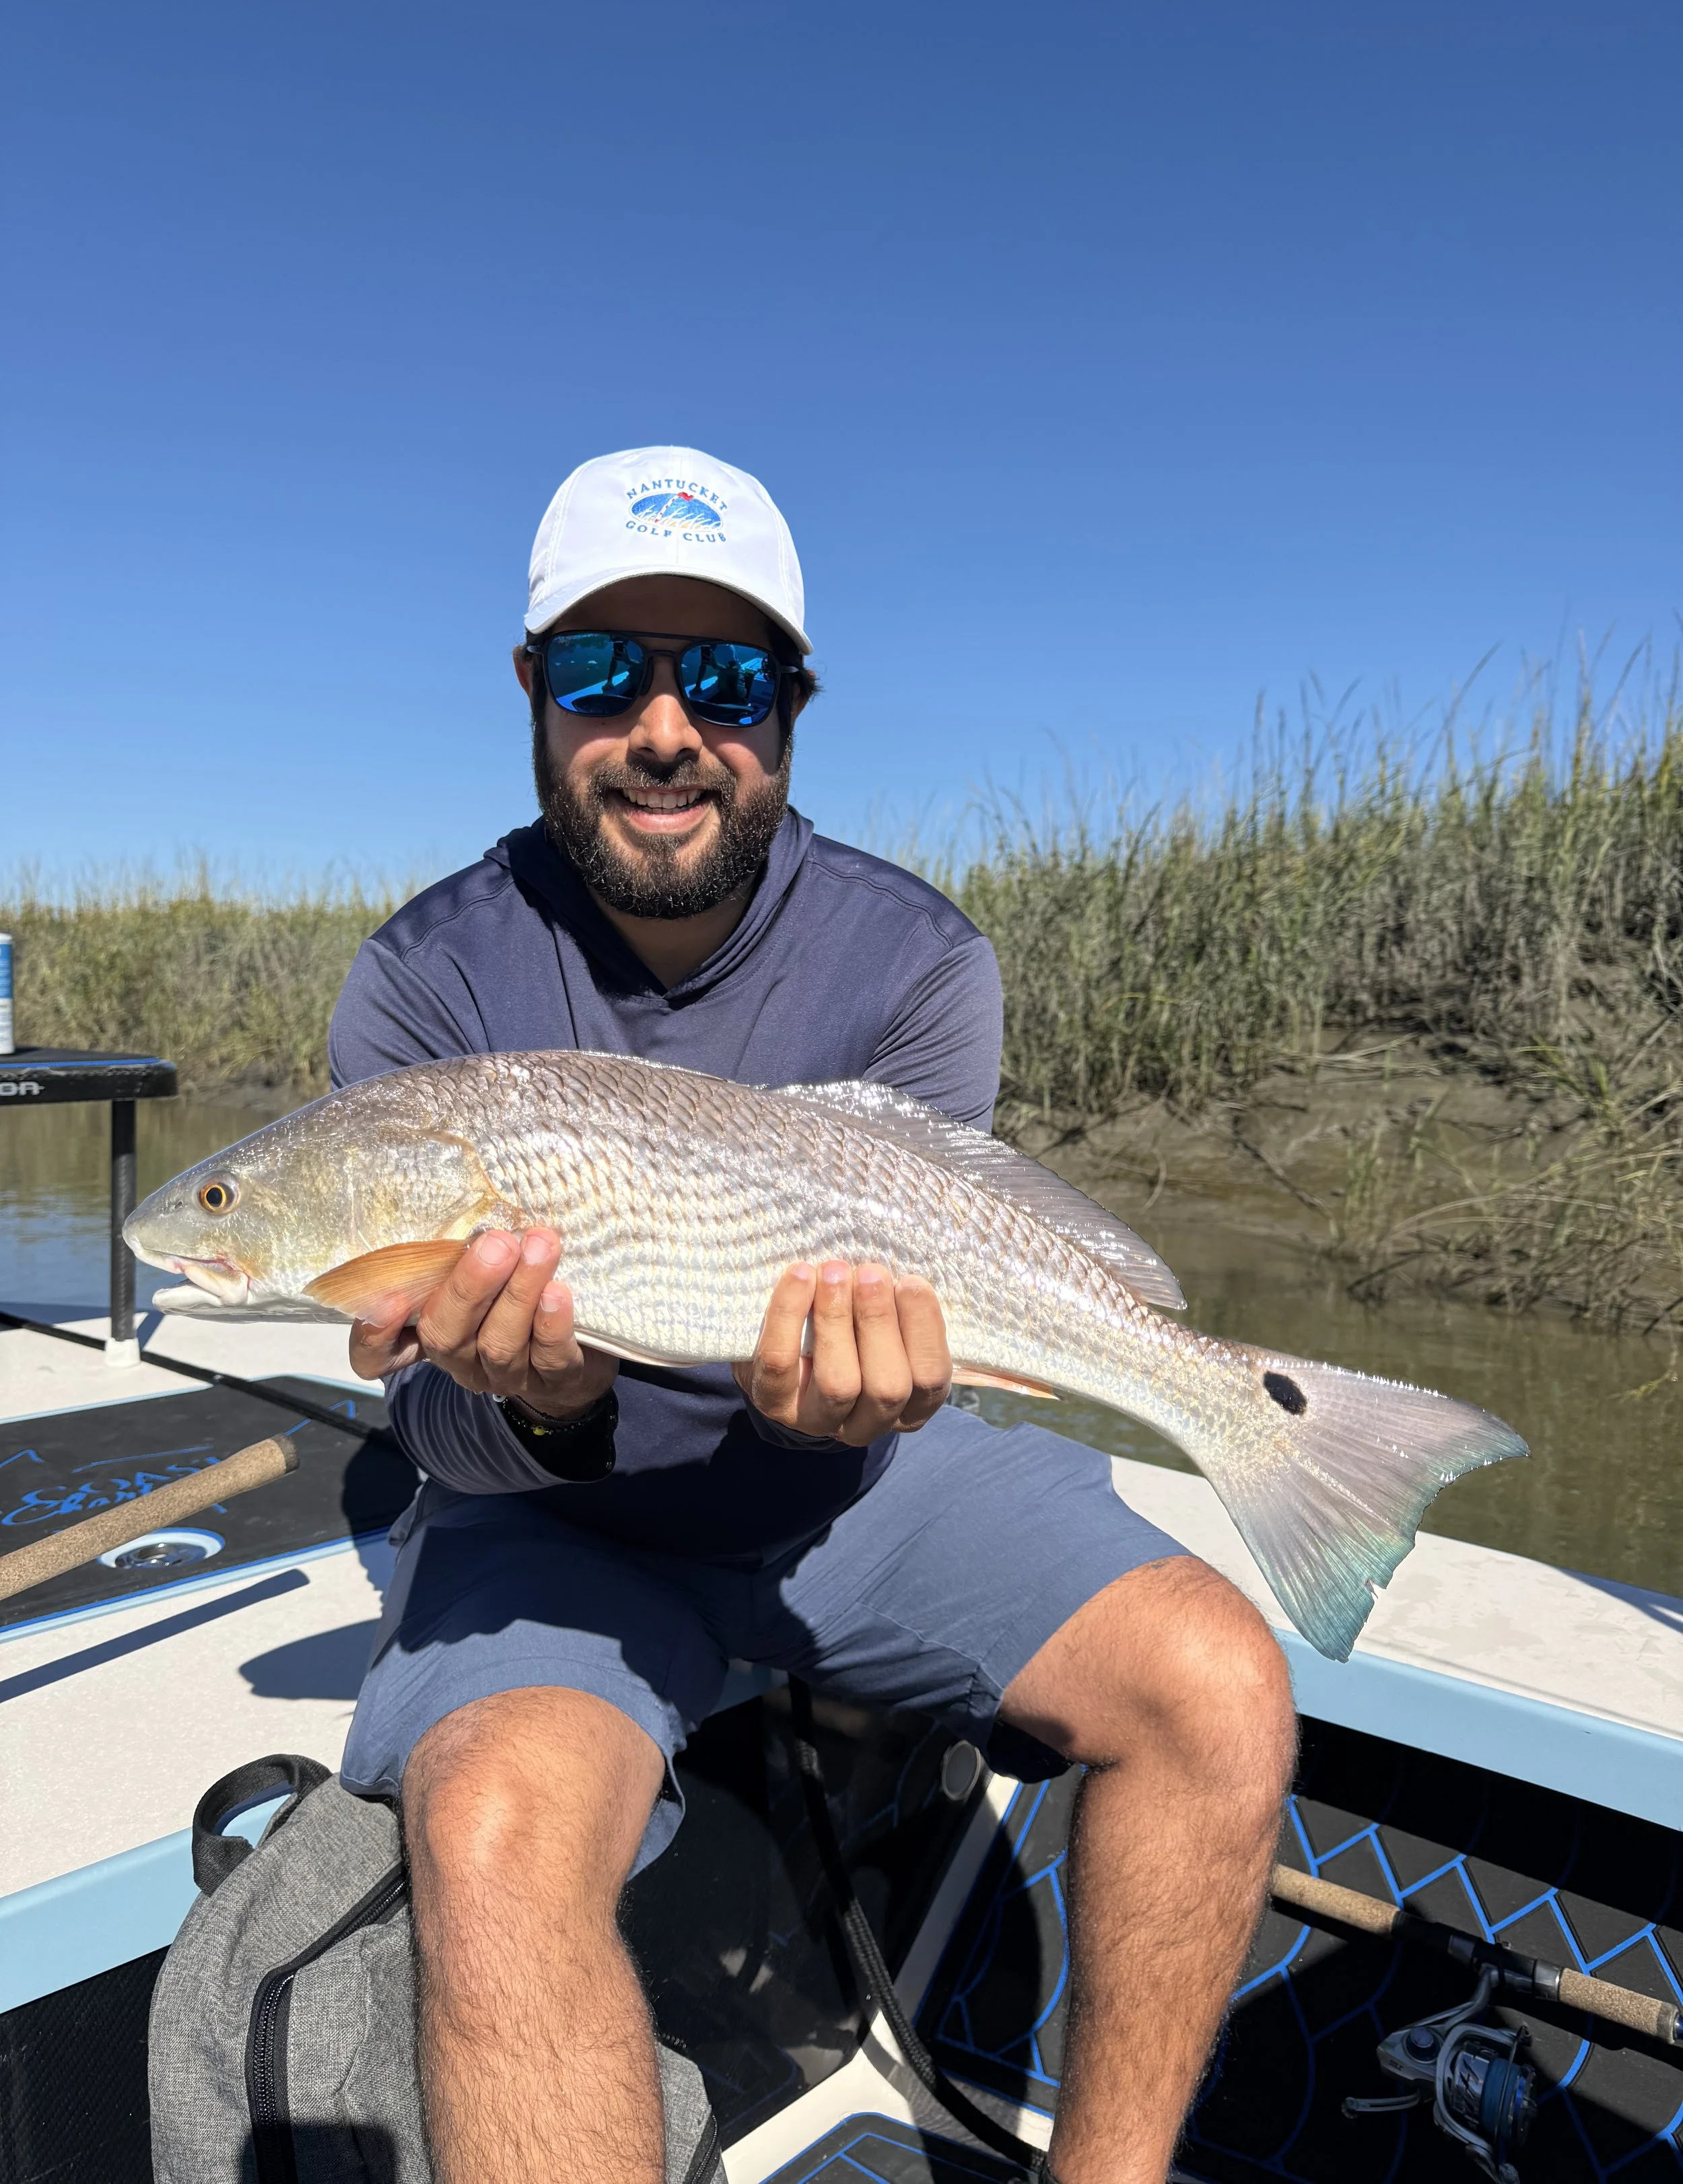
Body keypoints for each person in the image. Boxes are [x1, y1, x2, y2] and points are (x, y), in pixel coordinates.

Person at [329, 446, 1295, 2184]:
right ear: (534, 694)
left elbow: (917, 1322)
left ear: (787, 708)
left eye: (725, 677)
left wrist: (848, 1409)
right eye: (605, 669)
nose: (665, 727)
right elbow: (432, 1422)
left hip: (846, 1486)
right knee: (489, 1827)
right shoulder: (426, 980)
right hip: (554, 1521)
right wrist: (540, 1407)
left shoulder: (918, 959)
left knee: (1218, 1684)